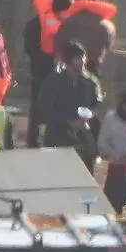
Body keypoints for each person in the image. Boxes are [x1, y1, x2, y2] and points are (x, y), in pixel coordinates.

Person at [35, 42, 104, 173]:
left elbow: (98, 105)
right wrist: (67, 121)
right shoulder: (52, 82)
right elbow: (43, 110)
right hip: (57, 139)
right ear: (68, 60)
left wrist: (89, 116)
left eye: (83, 57)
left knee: (84, 177)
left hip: (83, 140)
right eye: (78, 58)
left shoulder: (91, 82)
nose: (82, 61)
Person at [24, 0, 74, 147]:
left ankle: (34, 140)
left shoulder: (35, 22)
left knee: (37, 104)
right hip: (51, 69)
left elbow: (28, 47)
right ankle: (46, 139)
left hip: (39, 69)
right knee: (53, 104)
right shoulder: (61, 24)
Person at [53, 0, 117, 76]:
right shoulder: (107, 26)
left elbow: (58, 44)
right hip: (93, 69)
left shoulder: (68, 22)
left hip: (70, 68)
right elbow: (108, 47)